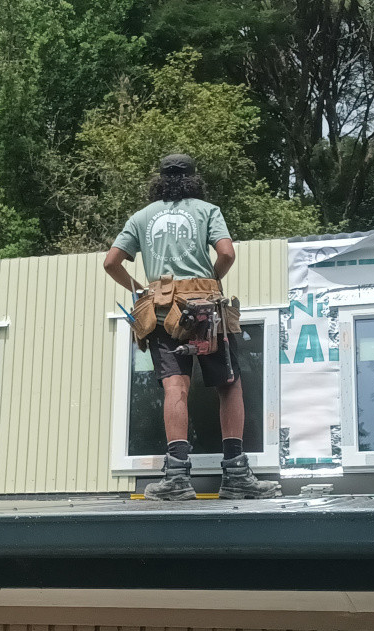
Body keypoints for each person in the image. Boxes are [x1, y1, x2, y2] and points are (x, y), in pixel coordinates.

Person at [102, 153, 281, 500]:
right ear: (193, 179)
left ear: (160, 180)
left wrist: (139, 288)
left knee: (175, 388)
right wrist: (210, 281)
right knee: (228, 385)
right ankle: (236, 475)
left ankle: (177, 478)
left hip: (162, 308)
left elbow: (111, 262)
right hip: (207, 309)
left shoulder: (141, 217)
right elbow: (227, 254)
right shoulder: (207, 210)